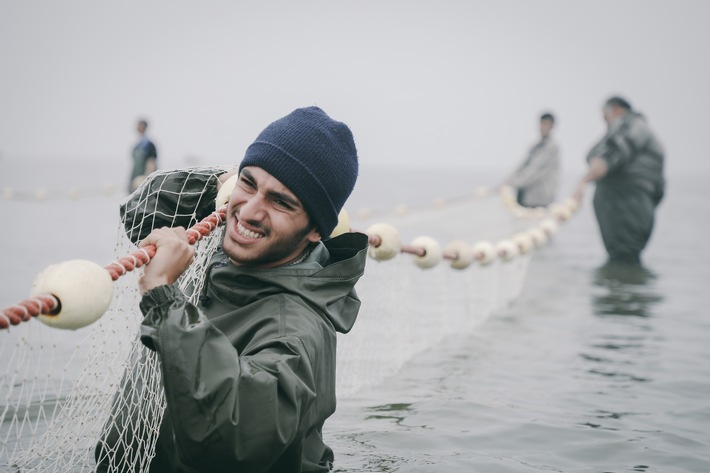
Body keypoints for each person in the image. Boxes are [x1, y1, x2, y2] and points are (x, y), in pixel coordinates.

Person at [96, 107, 368, 472]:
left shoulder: (296, 329)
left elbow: (230, 442)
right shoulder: (232, 252)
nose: (250, 212)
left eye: (281, 201)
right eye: (250, 183)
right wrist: (221, 185)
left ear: (317, 230)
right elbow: (138, 214)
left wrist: (164, 296)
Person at [574, 96, 665, 265]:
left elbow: (612, 152)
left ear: (616, 110)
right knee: (626, 259)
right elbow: (659, 190)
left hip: (626, 212)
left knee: (622, 261)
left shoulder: (630, 125)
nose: (604, 122)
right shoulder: (644, 132)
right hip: (636, 211)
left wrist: (582, 183)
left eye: (604, 117)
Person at [502, 112, 560, 207]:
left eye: (547, 124)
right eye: (542, 123)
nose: (543, 127)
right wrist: (505, 182)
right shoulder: (535, 147)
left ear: (552, 126)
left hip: (540, 199)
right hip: (526, 195)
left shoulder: (552, 148)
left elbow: (535, 170)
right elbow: (521, 166)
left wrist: (512, 183)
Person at [128, 119, 158, 193]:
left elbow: (151, 162)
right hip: (135, 177)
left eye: (139, 125)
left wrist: (148, 178)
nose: (137, 127)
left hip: (143, 179)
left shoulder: (148, 144)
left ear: (143, 127)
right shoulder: (138, 144)